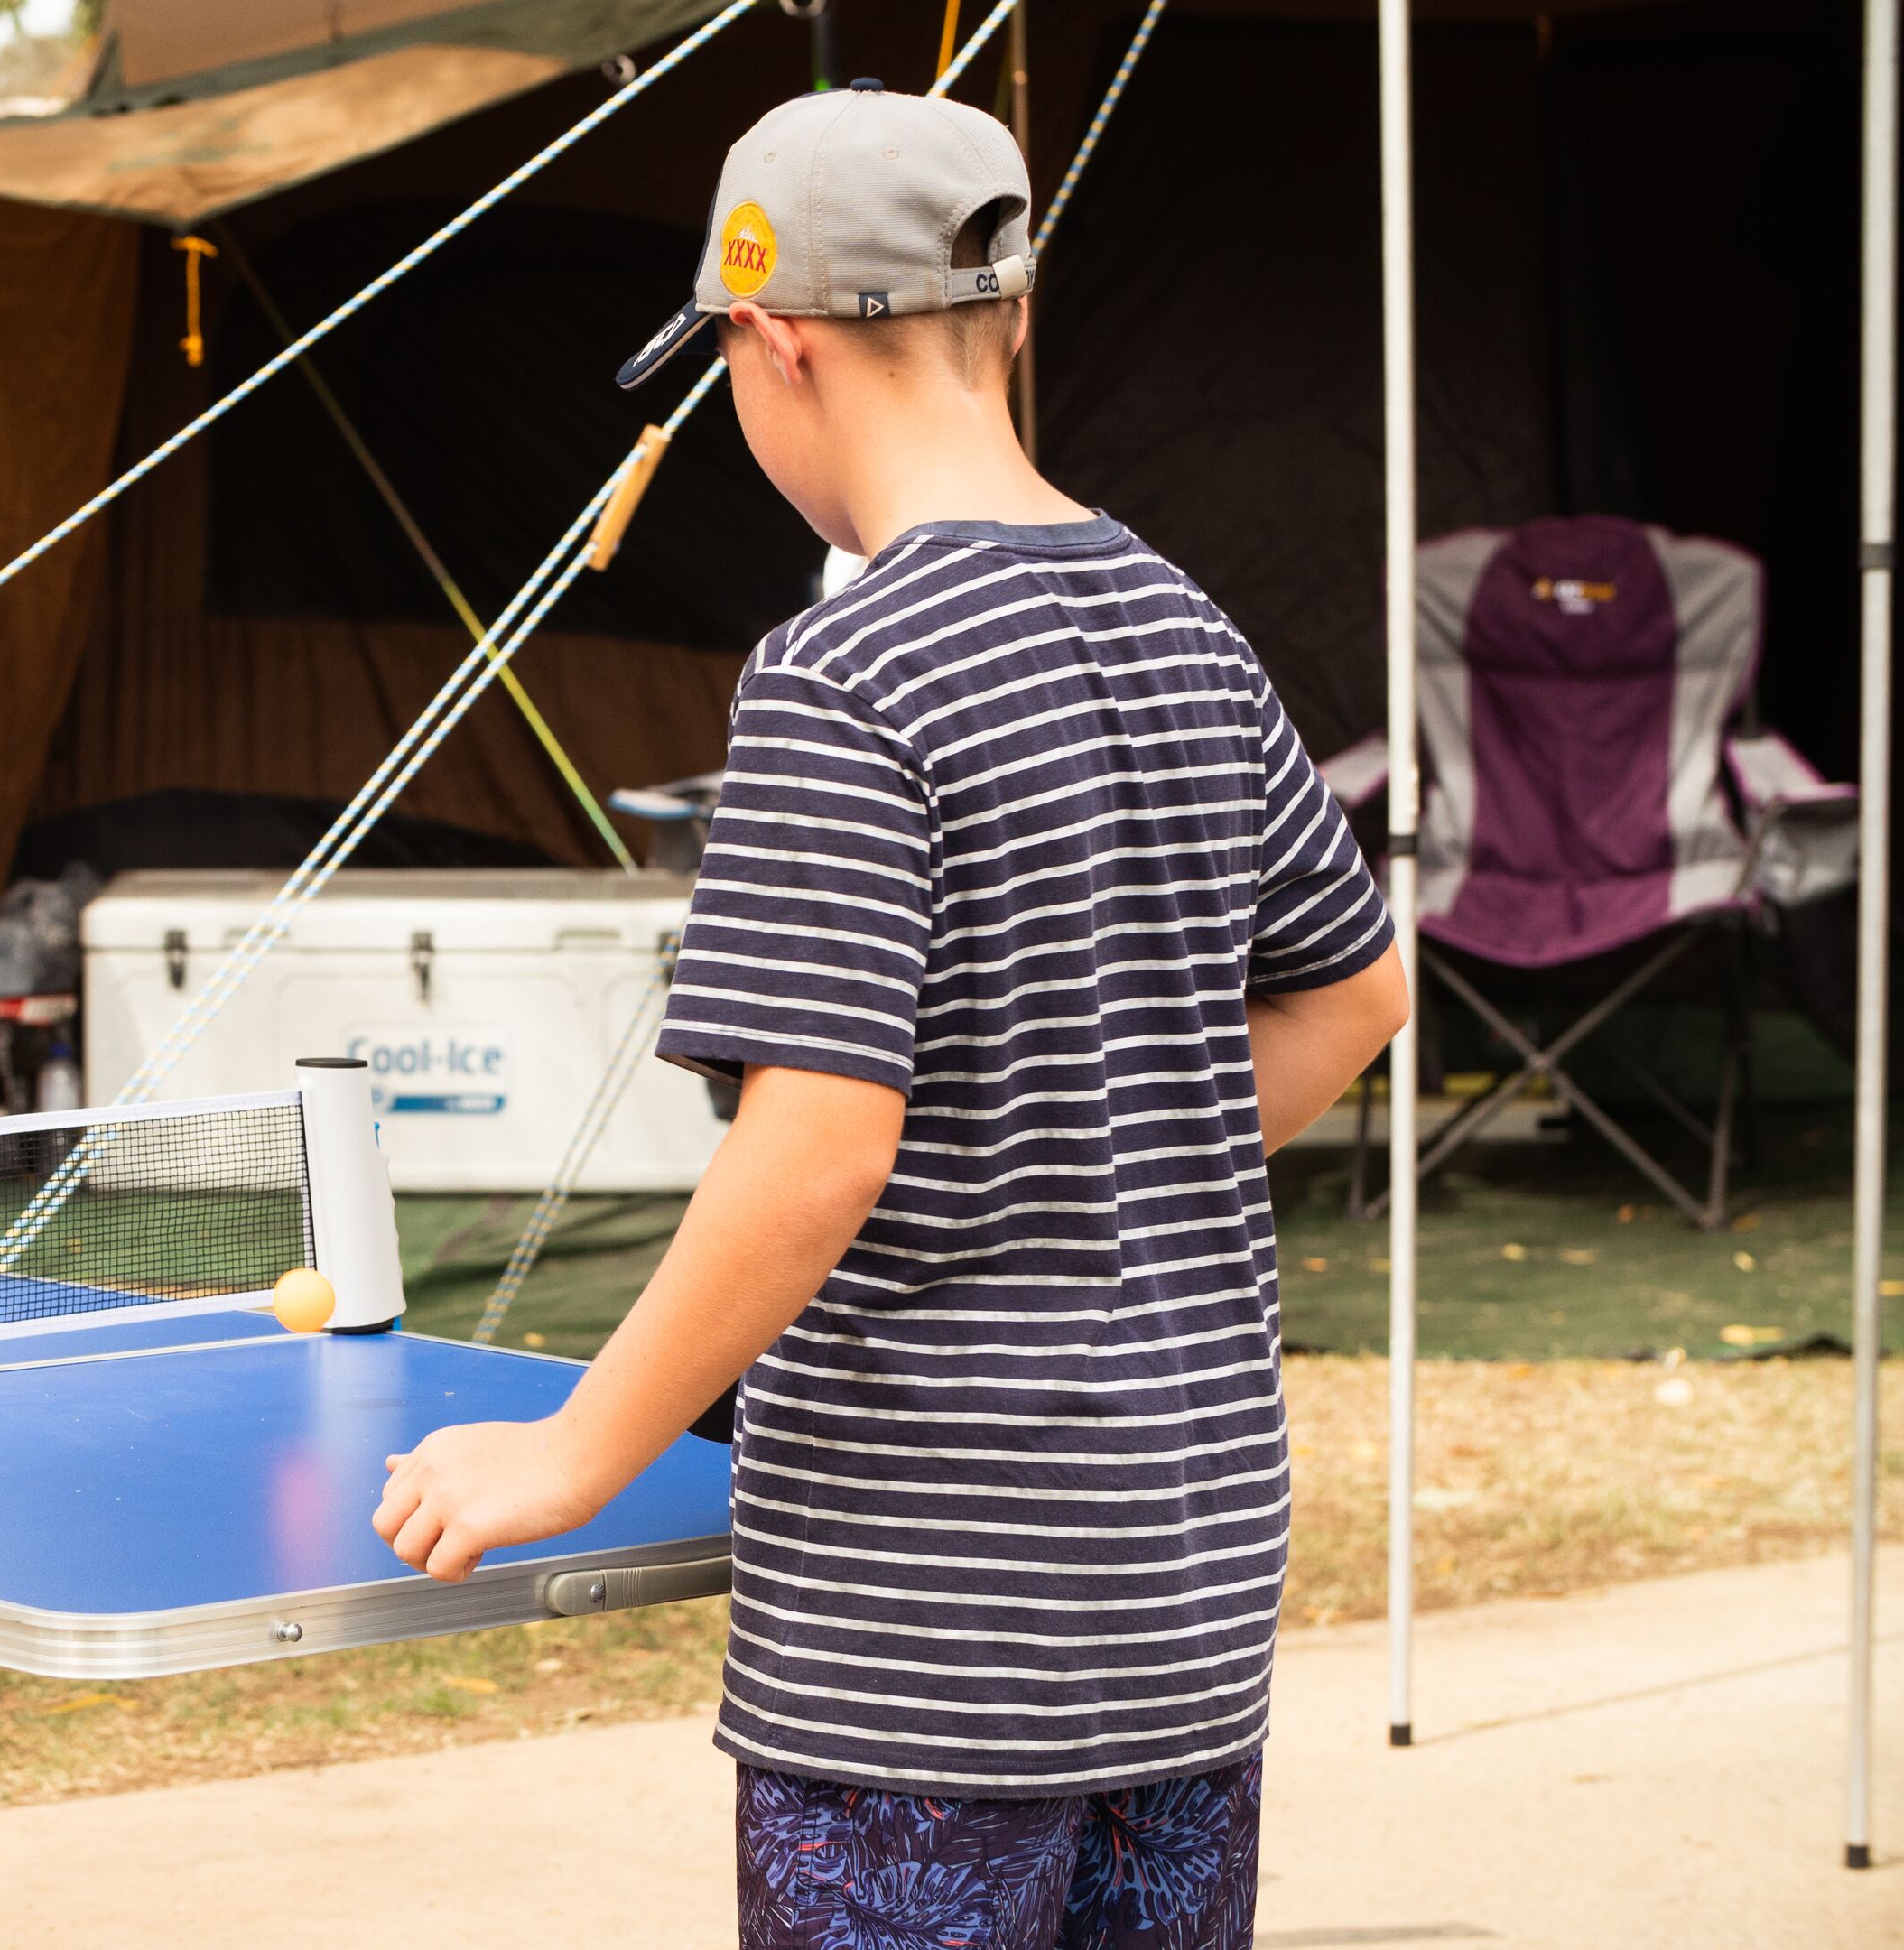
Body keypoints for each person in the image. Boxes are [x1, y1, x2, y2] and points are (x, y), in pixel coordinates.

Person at [373, 83, 1409, 1950]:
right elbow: (1360, 988)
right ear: (1004, 317)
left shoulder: (845, 677)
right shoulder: (1185, 620)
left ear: (770, 345)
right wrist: (1102, 1157)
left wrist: (575, 1452)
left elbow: (820, 1145)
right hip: (1177, 1600)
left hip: (928, 1638)